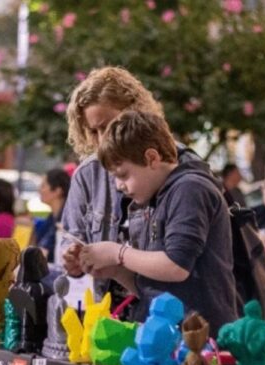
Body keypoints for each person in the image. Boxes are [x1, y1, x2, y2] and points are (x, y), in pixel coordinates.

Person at [78, 111, 237, 335]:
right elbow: (154, 285)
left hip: (198, 340)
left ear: (152, 158)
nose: (118, 186)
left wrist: (118, 253)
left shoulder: (189, 188)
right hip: (163, 335)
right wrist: (116, 272)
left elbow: (176, 266)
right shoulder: (152, 198)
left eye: (123, 175)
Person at [61, 66, 204, 301]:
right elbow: (71, 235)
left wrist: (118, 253)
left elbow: (178, 263)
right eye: (93, 131)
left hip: (177, 316)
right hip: (113, 311)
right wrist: (74, 257)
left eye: (107, 126)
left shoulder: (184, 173)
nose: (101, 139)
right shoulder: (87, 174)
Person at [34, 168, 71, 262]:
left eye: (43, 186)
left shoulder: (67, 220)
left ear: (58, 191)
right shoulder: (51, 218)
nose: (39, 190)